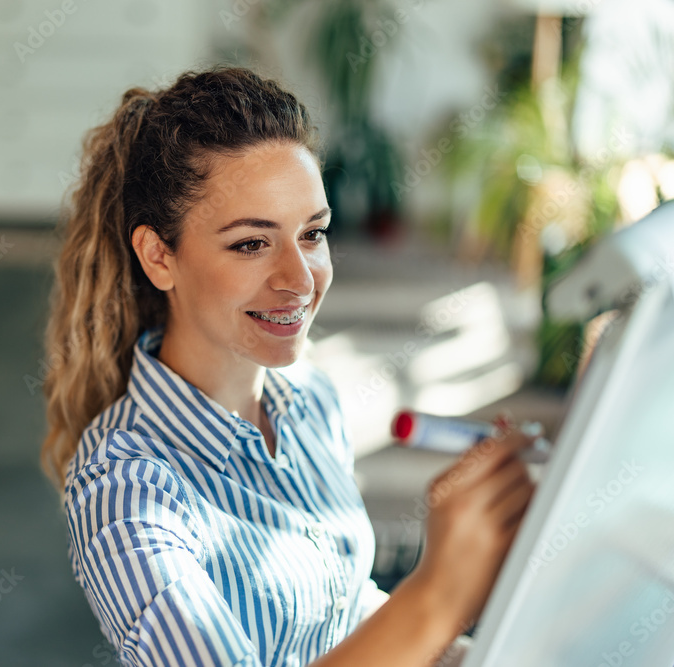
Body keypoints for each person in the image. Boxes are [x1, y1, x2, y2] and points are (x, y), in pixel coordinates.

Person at [39, 64, 537, 667]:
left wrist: (463, 650)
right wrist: (436, 595)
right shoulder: (126, 492)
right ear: (158, 256)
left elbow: (344, 611)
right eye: (252, 243)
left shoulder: (308, 397)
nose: (300, 281)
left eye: (312, 233)